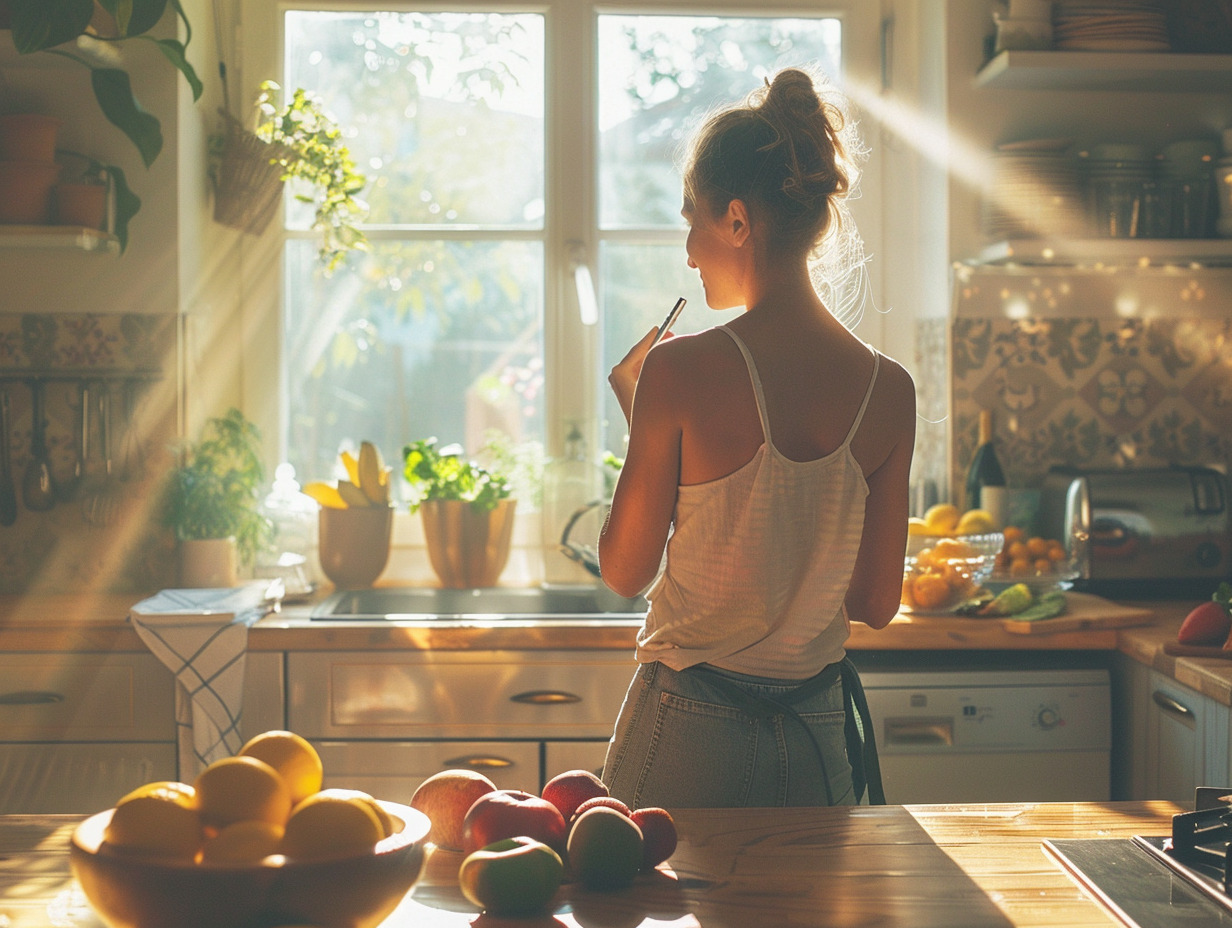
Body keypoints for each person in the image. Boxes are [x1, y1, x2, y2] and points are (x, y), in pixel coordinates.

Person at [597, 68, 916, 809]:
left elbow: (624, 569)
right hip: (816, 739)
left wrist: (644, 415)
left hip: (686, 736)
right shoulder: (889, 389)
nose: (687, 250)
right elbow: (874, 600)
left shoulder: (679, 371)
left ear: (737, 221)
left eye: (693, 220)